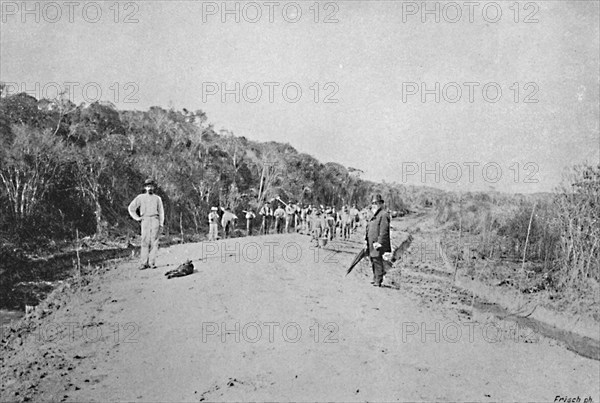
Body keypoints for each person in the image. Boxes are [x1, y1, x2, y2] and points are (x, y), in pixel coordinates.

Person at [128, 179, 165, 270]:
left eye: (151, 186)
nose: (150, 188)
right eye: (148, 186)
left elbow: (161, 212)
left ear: (154, 187)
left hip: (155, 219)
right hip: (145, 220)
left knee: (154, 241)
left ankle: (152, 263)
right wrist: (137, 218)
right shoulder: (140, 197)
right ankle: (144, 263)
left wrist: (161, 224)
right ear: (145, 187)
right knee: (144, 241)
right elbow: (131, 208)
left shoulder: (158, 198)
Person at [365, 194, 391, 287]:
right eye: (373, 203)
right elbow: (368, 228)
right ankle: (375, 277)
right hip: (371, 242)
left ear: (381, 203)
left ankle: (378, 280)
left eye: (376, 203)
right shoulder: (373, 215)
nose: (374, 205)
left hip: (377, 243)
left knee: (377, 260)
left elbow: (384, 230)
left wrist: (380, 242)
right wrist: (366, 240)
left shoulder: (383, 214)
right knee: (372, 259)